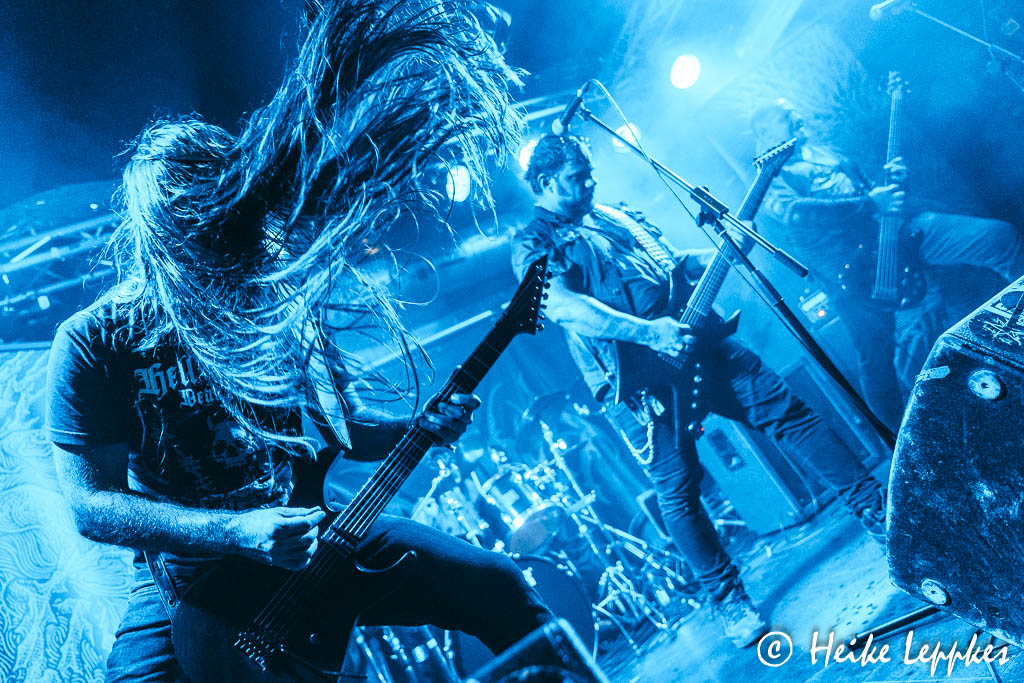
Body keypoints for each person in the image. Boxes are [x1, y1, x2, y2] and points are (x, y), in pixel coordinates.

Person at [46, 2, 552, 680]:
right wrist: (235, 532)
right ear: (163, 242)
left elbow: (340, 432)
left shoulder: (269, 296)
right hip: (198, 581)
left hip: (317, 540)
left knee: (499, 585)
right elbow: (90, 505)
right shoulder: (95, 342)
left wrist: (414, 428)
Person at [510, 133, 888, 648]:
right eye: (578, 177)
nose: (592, 182)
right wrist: (650, 334)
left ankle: (878, 513)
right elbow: (564, 308)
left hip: (698, 337)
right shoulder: (533, 242)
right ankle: (727, 598)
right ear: (546, 182)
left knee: (790, 416)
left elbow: (669, 265)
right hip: (637, 379)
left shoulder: (613, 216)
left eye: (590, 171)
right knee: (678, 489)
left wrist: (719, 252)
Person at [751, 99, 1024, 430]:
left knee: (997, 237)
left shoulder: (822, 151)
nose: (796, 116)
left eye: (794, 110)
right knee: (876, 359)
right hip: (850, 273)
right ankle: (900, 436)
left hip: (895, 237)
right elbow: (795, 213)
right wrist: (869, 203)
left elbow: (872, 195)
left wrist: (893, 185)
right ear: (765, 131)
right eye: (785, 115)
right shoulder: (771, 174)